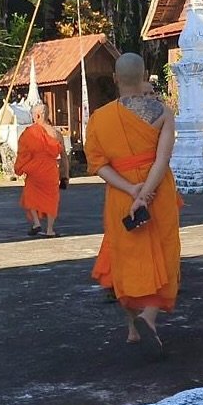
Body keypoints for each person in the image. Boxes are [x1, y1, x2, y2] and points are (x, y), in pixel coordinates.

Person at [86, 53, 182, 359]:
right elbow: (162, 159)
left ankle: (131, 328)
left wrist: (130, 190)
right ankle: (149, 316)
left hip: (121, 192)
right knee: (163, 253)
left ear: (115, 78)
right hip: (157, 192)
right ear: (143, 77)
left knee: (126, 257)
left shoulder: (99, 118)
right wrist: (145, 194)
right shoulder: (162, 112)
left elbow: (98, 165)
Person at [15, 103, 69, 238]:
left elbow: (23, 152)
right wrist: (65, 176)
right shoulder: (56, 133)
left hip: (35, 170)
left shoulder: (29, 133)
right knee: (52, 199)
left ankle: (36, 222)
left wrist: (20, 167)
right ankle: (50, 230)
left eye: (33, 115)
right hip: (51, 170)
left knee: (29, 195)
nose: (33, 117)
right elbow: (64, 157)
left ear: (38, 115)